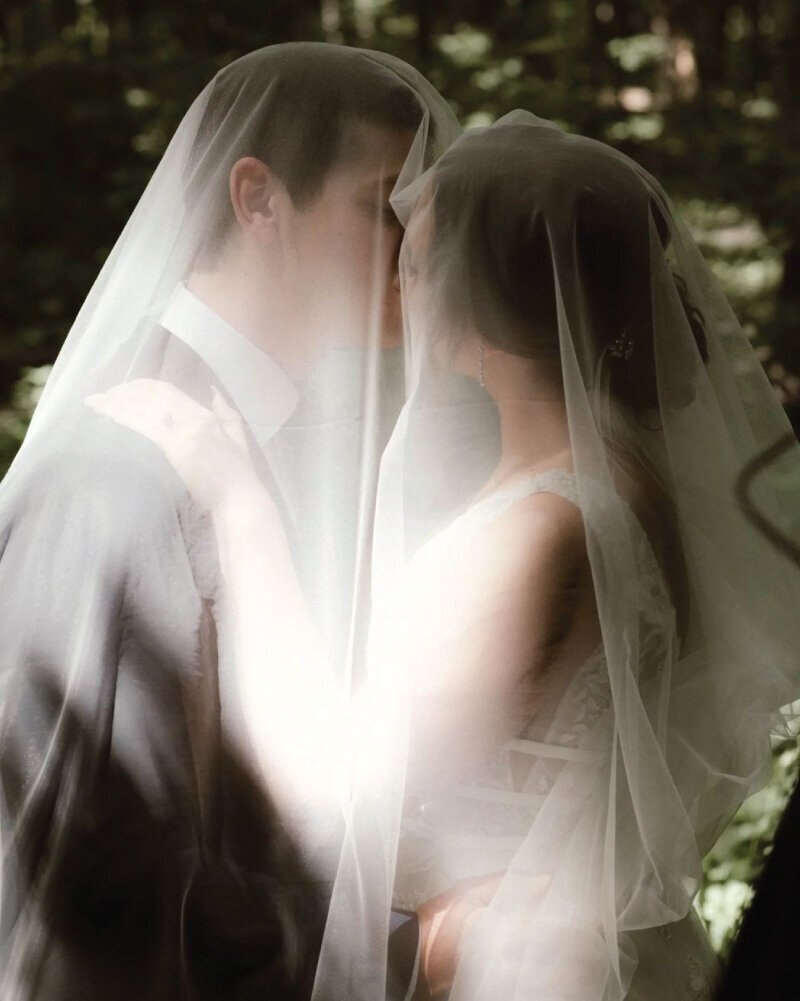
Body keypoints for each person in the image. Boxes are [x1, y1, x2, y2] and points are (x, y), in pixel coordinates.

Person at [87, 113, 800, 1001]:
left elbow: (337, 787)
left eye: (416, 264)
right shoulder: (630, 484)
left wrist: (241, 506)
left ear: (476, 337)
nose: (398, 283)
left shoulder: (542, 528)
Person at [0, 43, 459, 1000]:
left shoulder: (275, 446)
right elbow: (92, 883)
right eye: (384, 206)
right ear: (258, 202)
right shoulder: (118, 470)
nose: (420, 248)